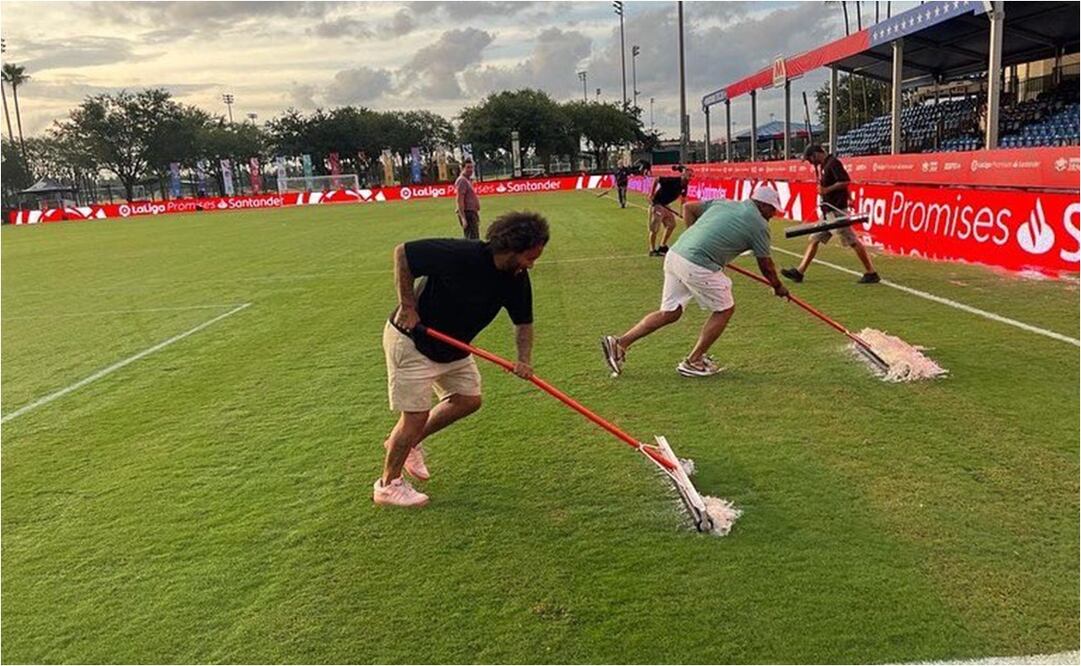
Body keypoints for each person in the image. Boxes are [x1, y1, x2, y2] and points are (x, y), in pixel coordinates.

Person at [375, 211, 550, 507]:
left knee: (468, 399)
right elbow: (403, 253)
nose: (531, 265)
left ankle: (409, 443)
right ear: (511, 248)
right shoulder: (461, 254)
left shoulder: (517, 278)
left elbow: (523, 322)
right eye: (529, 257)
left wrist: (524, 360)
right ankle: (387, 486)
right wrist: (408, 306)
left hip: (453, 347)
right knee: (414, 417)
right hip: (412, 340)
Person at [601, 185, 789, 378]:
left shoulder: (724, 203)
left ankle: (620, 343)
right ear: (763, 205)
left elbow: (689, 208)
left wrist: (693, 238)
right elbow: (765, 264)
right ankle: (694, 360)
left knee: (670, 313)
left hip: (676, 255)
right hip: (696, 264)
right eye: (772, 210)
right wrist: (778, 286)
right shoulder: (759, 225)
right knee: (725, 309)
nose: (773, 214)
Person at [781, 145, 880, 284]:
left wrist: (827, 190)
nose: (810, 163)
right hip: (828, 211)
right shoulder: (825, 165)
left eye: (810, 159)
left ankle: (871, 272)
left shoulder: (833, 163)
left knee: (852, 241)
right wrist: (848, 197)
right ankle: (800, 272)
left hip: (836, 211)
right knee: (815, 239)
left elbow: (845, 181)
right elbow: (841, 183)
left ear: (816, 154)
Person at [647, 166, 692, 256]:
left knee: (671, 224)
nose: (690, 177)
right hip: (657, 204)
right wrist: (651, 194)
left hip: (666, 206)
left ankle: (662, 246)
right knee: (655, 228)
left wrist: (682, 212)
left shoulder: (685, 185)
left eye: (691, 176)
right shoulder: (673, 180)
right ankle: (652, 250)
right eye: (688, 175)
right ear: (683, 175)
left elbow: (683, 200)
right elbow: (657, 179)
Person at [455, 158, 481, 240]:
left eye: (471, 167)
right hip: (467, 213)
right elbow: (459, 199)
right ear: (462, 168)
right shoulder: (462, 181)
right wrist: (463, 218)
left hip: (472, 213)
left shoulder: (468, 180)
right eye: (468, 167)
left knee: (474, 237)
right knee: (472, 239)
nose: (470, 170)